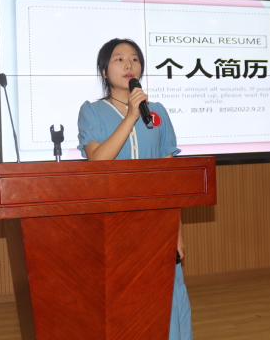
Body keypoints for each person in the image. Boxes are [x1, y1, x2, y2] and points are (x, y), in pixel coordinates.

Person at [77, 38, 193, 340]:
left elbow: (169, 180)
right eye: (118, 59)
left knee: (165, 297)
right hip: (112, 223)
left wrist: (176, 230)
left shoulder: (157, 111)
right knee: (122, 301)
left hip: (157, 223)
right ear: (104, 71)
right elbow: (97, 161)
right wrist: (130, 116)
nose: (128, 64)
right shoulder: (92, 111)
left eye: (135, 59)